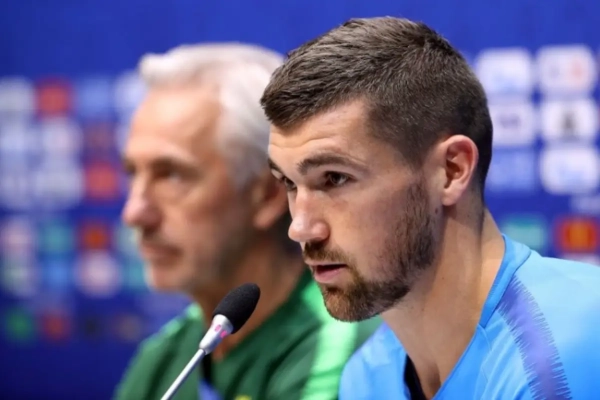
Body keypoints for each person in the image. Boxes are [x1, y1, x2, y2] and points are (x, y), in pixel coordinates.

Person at [260, 17, 600, 400]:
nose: (301, 227)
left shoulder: (563, 360)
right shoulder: (366, 376)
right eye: (289, 183)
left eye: (335, 178)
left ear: (452, 171)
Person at [114, 43, 380, 400]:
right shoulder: (164, 359)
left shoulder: (344, 353)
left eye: (172, 176)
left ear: (268, 194)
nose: (134, 213)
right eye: (133, 173)